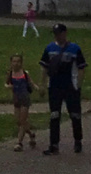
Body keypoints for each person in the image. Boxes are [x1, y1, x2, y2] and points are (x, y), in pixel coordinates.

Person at [40, 22, 86, 155]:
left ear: (64, 33)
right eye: (55, 34)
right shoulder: (49, 48)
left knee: (75, 115)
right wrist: (42, 84)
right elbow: (44, 67)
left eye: (59, 34)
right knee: (54, 115)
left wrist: (78, 85)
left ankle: (78, 140)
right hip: (54, 87)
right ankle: (54, 144)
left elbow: (81, 67)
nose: (57, 36)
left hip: (70, 86)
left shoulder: (74, 49)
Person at [6, 53, 36, 150]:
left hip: (24, 98)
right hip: (16, 99)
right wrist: (9, 86)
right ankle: (31, 134)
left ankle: (19, 143)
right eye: (14, 61)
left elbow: (31, 83)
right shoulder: (10, 74)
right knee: (18, 121)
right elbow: (6, 84)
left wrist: (37, 88)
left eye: (18, 61)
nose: (16, 63)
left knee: (22, 121)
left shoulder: (24, 73)